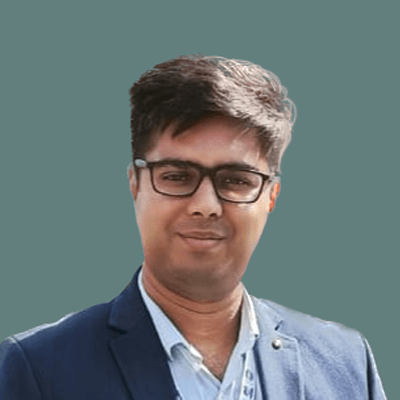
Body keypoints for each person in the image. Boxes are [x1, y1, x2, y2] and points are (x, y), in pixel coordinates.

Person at [0, 55, 386, 399]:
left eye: (235, 180)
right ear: (134, 184)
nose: (205, 206)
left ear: (271, 195)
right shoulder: (37, 369)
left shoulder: (345, 363)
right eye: (177, 176)